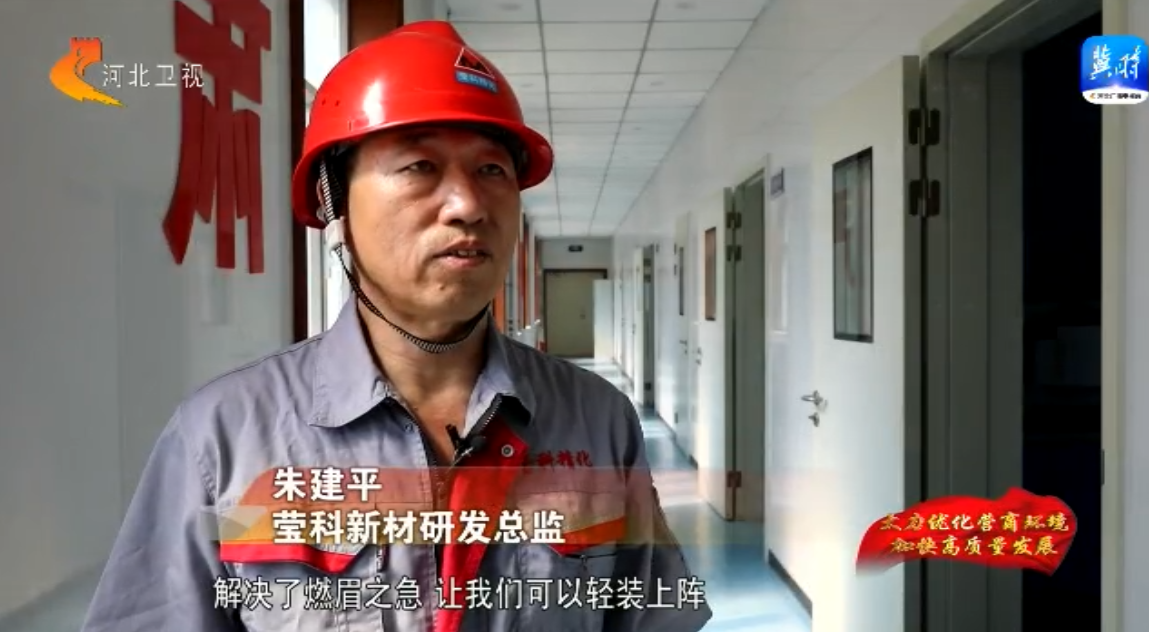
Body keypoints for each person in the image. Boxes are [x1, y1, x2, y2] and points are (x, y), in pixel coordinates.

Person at [80, 20, 711, 632]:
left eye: (492, 170)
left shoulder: (597, 420)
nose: (468, 205)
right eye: (419, 167)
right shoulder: (224, 438)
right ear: (332, 202)